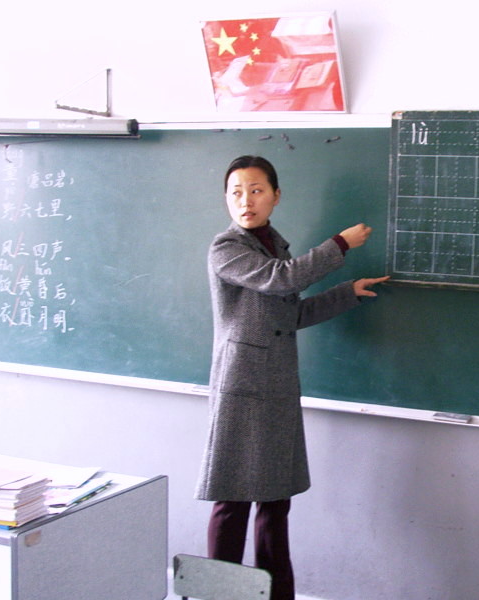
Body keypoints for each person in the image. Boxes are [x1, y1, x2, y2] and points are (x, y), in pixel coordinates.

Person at [195, 155, 388, 600]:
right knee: (232, 501)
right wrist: (339, 244)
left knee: (276, 501)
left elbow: (290, 314)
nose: (246, 201)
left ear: (276, 196)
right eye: (236, 192)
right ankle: (217, 596)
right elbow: (281, 280)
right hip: (242, 386)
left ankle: (277, 595)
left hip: (277, 385)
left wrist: (347, 293)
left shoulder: (274, 245)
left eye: (256, 190)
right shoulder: (226, 247)